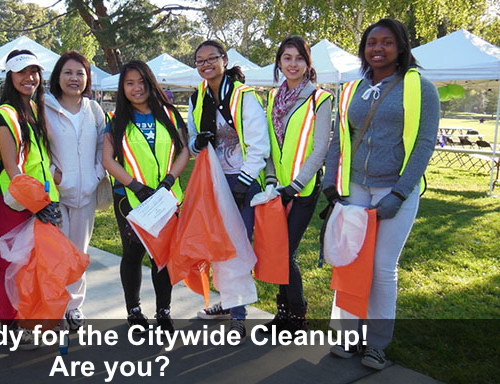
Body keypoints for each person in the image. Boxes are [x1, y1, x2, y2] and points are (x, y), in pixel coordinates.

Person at [324, 19, 439, 370]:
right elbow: (339, 138)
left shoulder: (421, 88)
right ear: (363, 49)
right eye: (372, 42)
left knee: (382, 268)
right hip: (356, 186)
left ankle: (376, 344)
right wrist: (331, 183)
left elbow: (423, 143)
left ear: (401, 48)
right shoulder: (351, 89)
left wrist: (400, 193)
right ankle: (348, 334)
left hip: (395, 189)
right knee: (350, 261)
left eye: (387, 42)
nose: (378, 48)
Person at [187, 40, 269, 337]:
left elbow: (259, 146)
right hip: (212, 181)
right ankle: (226, 302)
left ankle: (239, 313)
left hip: (241, 181)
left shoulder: (243, 96)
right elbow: (192, 137)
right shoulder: (197, 97)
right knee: (216, 245)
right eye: (199, 60)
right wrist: (196, 143)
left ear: (224, 60)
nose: (206, 64)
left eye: (211, 58)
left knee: (237, 247)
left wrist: (242, 183)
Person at [101, 60, 189, 333]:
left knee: (161, 257)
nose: (137, 88)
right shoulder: (116, 120)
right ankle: (134, 311)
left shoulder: (170, 114)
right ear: (122, 88)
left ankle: (163, 312)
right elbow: (107, 159)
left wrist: (169, 179)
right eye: (130, 83)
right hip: (131, 199)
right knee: (133, 254)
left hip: (165, 198)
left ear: (150, 83)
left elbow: (184, 150)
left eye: (141, 81)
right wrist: (135, 185)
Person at [262, 36, 333, 334]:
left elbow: (320, 148)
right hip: (275, 189)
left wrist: (296, 184)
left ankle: (297, 316)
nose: (293, 64)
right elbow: (266, 144)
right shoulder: (271, 98)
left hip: (302, 190)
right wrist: (269, 180)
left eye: (299, 59)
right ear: (279, 62)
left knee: (284, 252)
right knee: (277, 250)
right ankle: (283, 316)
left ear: (308, 64)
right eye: (287, 58)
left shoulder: (320, 98)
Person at [0, 49, 61, 347]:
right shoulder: (5, 113)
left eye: (33, 71)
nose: (29, 77)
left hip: (39, 200)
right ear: (10, 76)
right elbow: (13, 167)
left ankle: (29, 318)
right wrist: (38, 204)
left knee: (34, 263)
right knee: (10, 263)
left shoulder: (33, 108)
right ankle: (9, 325)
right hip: (12, 202)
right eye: (21, 72)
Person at [44, 51, 106, 330]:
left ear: (87, 79)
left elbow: (104, 147)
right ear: (58, 76)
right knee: (57, 254)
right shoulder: (43, 108)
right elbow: (37, 147)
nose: (74, 78)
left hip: (86, 194)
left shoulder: (94, 110)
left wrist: (97, 173)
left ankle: (74, 307)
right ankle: (54, 306)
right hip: (57, 195)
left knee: (78, 253)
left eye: (80, 73)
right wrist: (52, 173)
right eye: (68, 72)